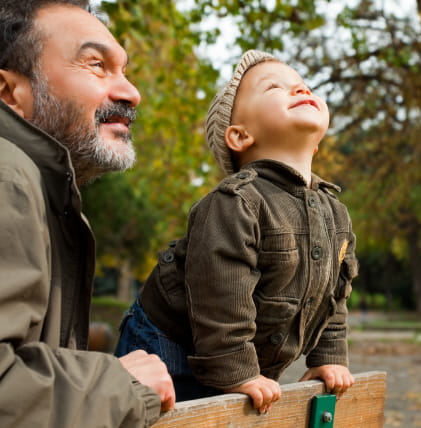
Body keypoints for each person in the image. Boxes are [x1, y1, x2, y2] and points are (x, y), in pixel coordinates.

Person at [115, 50, 359, 413]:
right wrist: (237, 369)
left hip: (246, 357)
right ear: (241, 136)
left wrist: (328, 356)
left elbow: (333, 296)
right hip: (172, 347)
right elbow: (221, 291)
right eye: (275, 87)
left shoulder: (335, 213)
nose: (299, 90)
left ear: (318, 141)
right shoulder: (236, 203)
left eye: (302, 86)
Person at [0, 1, 175, 426]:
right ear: (10, 93)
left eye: (125, 70)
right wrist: (120, 384)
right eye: (96, 64)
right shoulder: (8, 176)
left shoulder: (42, 189)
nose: (131, 92)